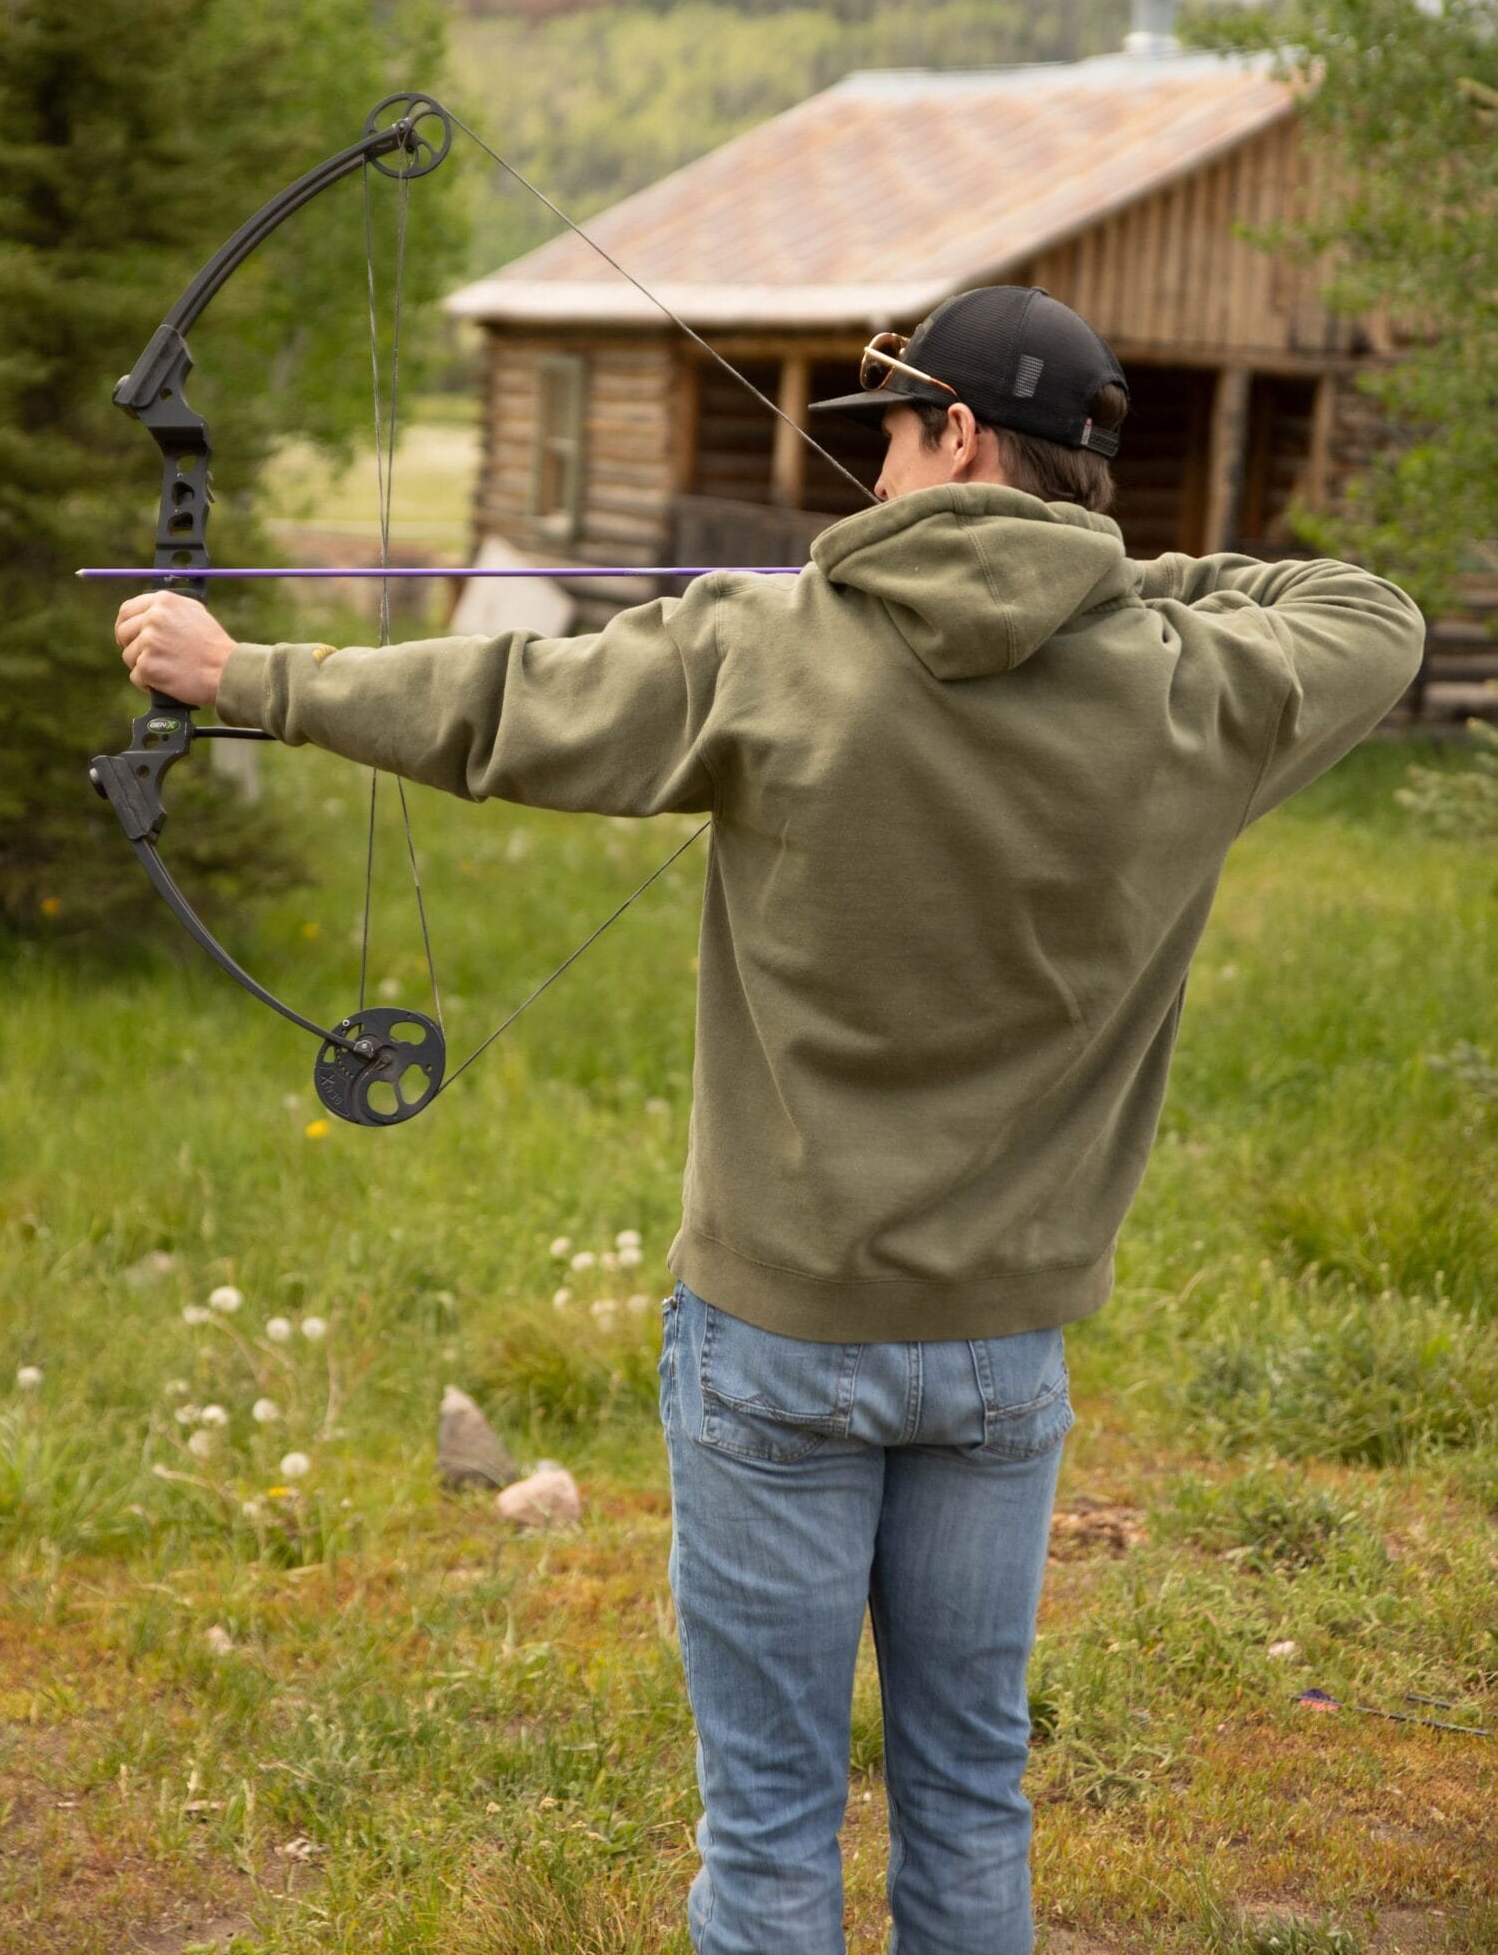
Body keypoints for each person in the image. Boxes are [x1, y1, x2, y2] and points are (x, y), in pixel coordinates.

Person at [114, 284, 1424, 1955]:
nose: (869, 463)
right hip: (1002, 1352)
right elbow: (1367, 610)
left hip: (776, 1342)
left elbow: (505, 703)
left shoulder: (773, 641)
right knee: (968, 1800)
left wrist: (246, 674)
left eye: (892, 427)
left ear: (957, 437)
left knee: (773, 1829)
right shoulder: (1197, 688)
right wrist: (1102, 584)